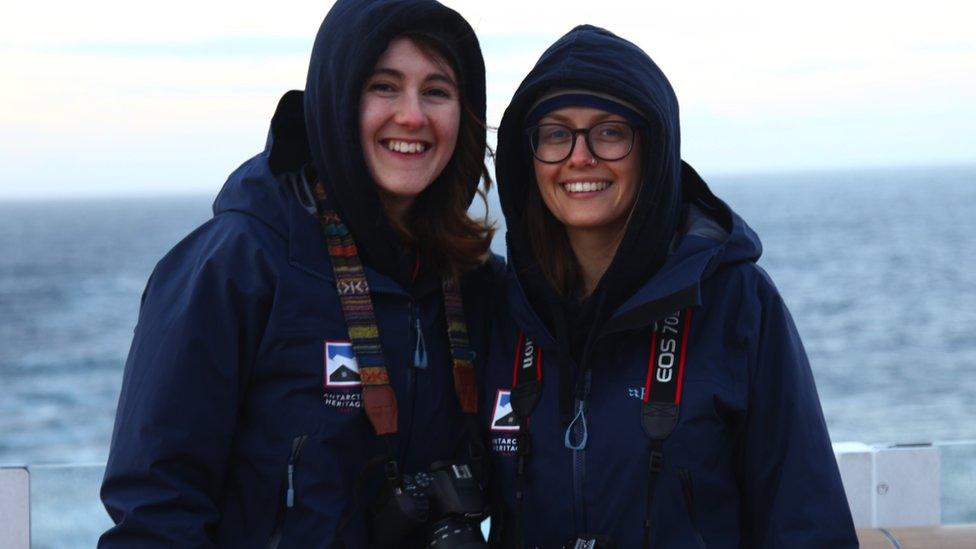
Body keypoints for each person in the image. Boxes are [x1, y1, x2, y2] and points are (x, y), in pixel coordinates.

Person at [99, 1, 499, 547]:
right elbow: (156, 510)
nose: (412, 116)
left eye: (437, 91)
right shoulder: (237, 265)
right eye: (383, 86)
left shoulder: (471, 282)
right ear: (335, 100)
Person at [481, 25, 858, 548]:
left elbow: (806, 522)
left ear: (654, 151)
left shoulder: (736, 304)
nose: (580, 157)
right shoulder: (501, 309)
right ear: (528, 158)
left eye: (610, 132)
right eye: (555, 133)